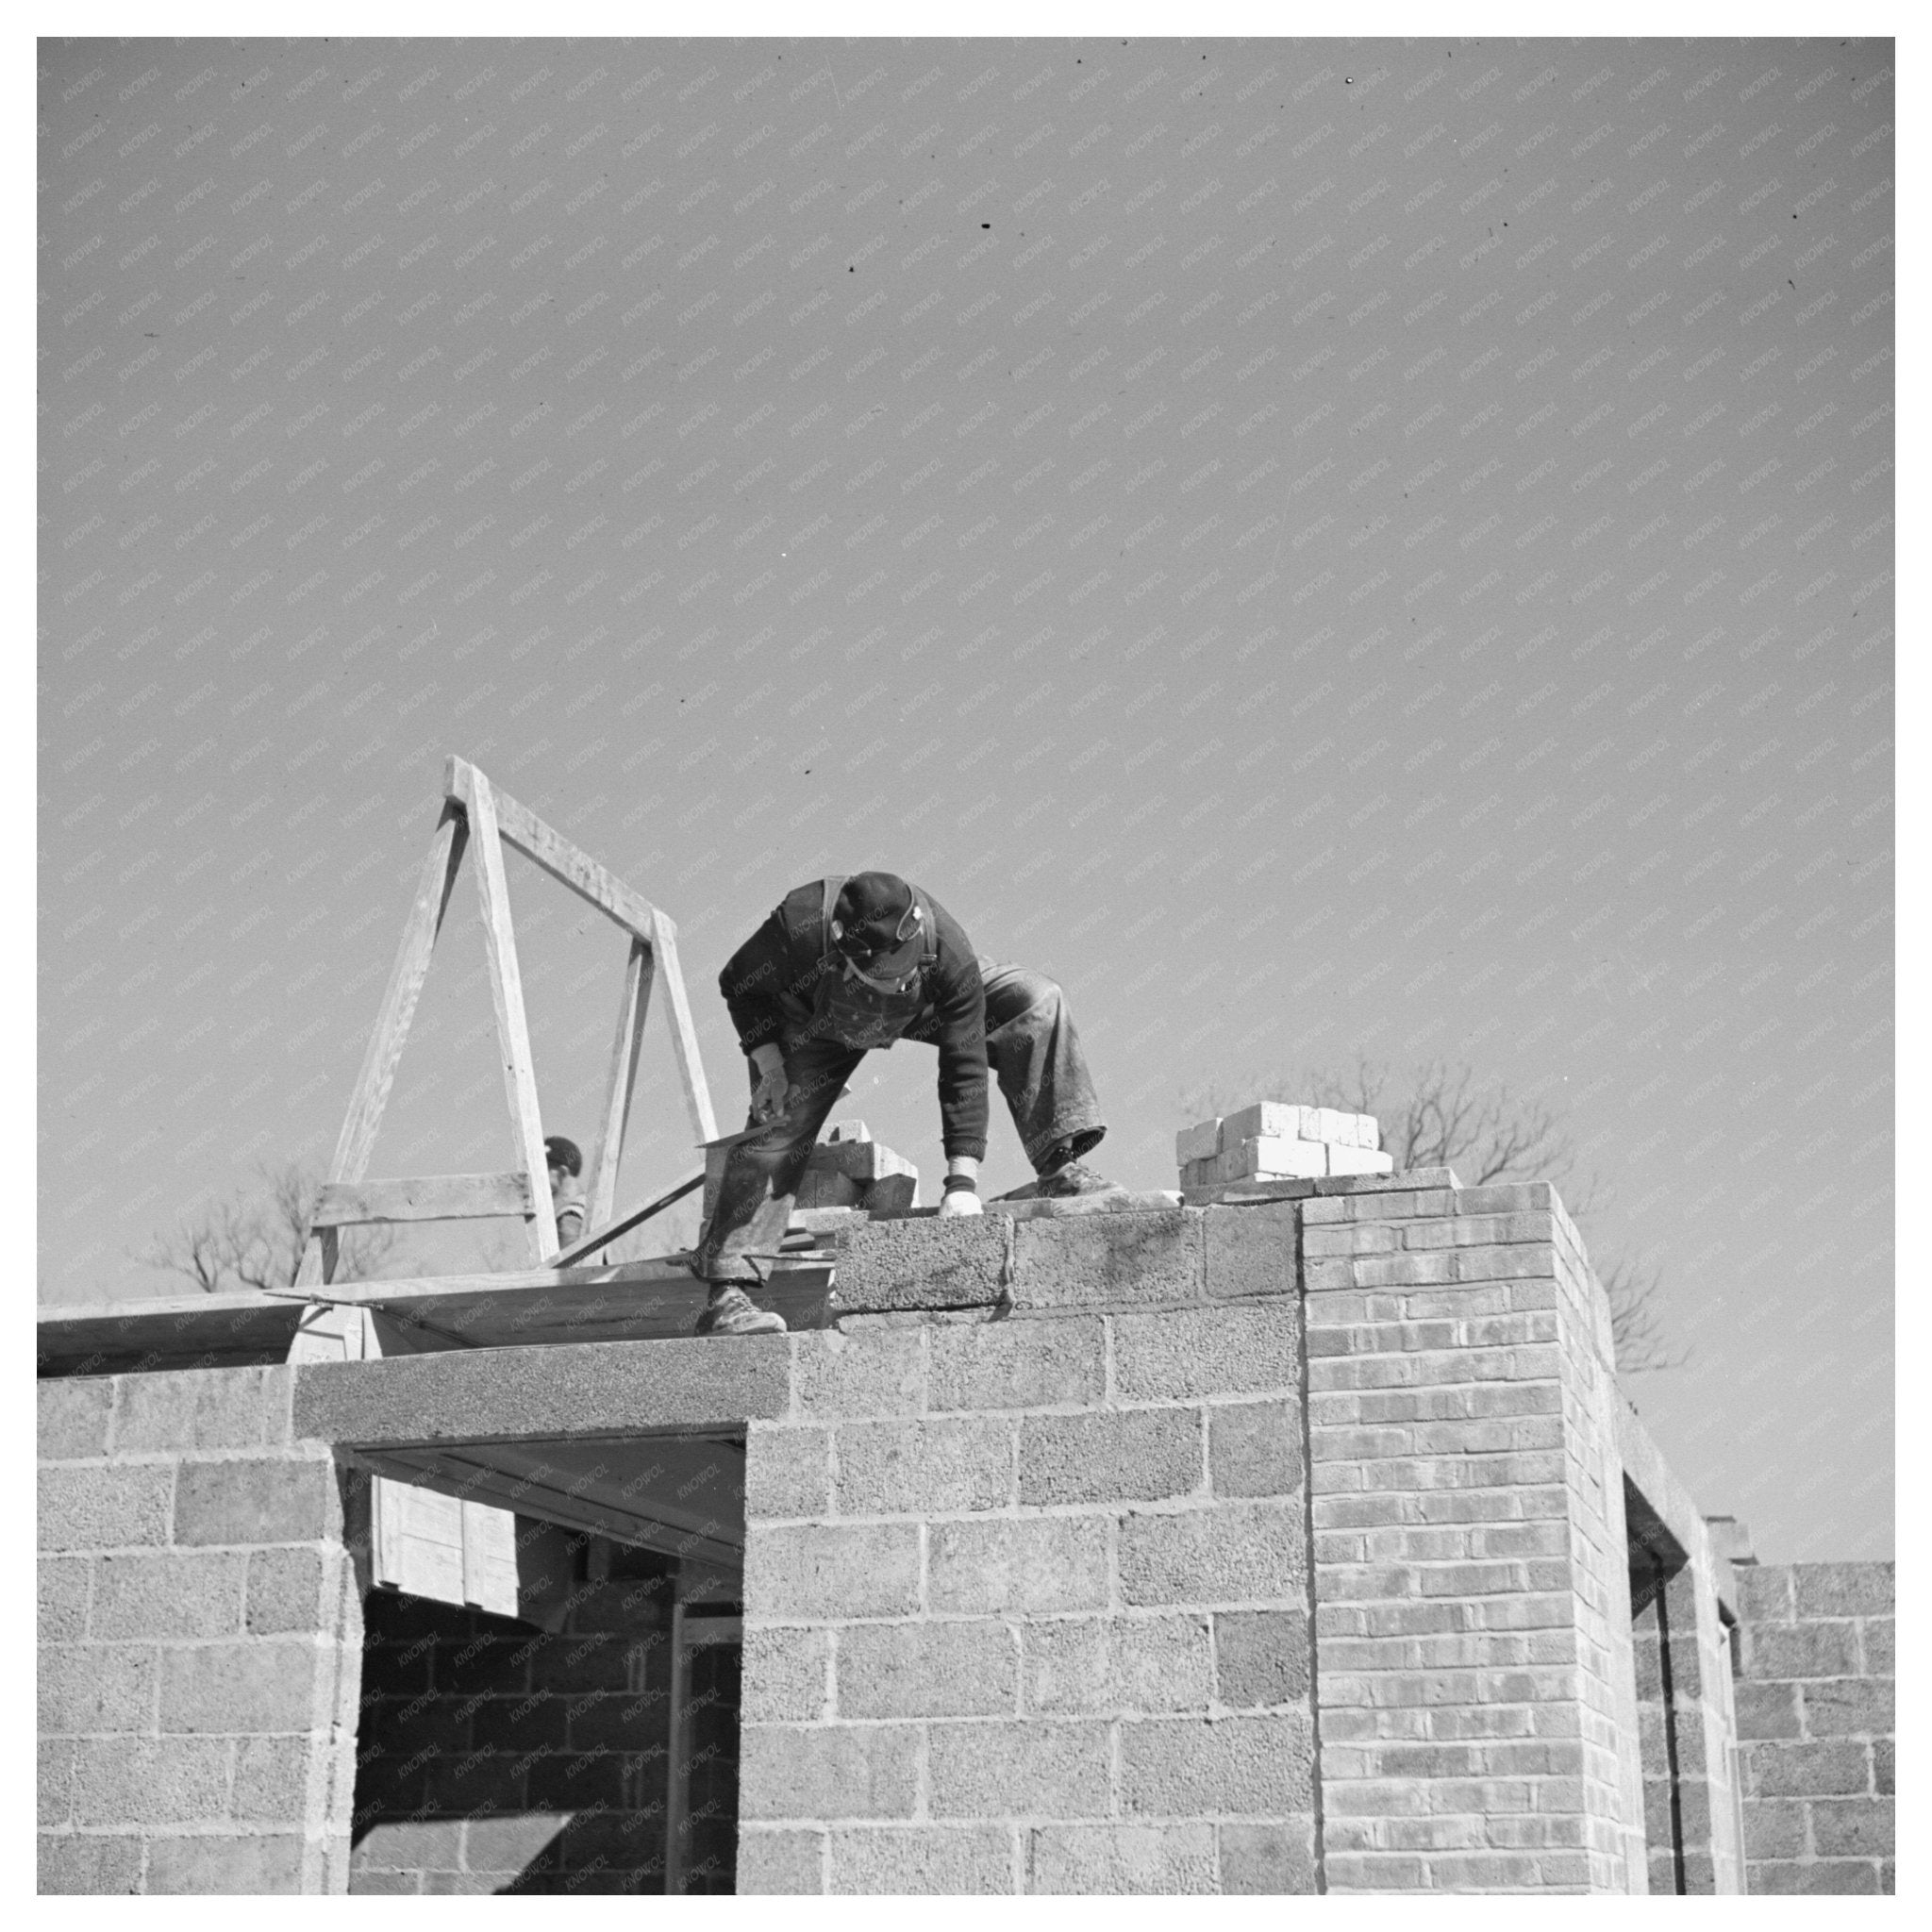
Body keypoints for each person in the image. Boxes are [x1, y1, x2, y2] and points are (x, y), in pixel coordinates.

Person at [689, 871, 1114, 1336]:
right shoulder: (800, 926)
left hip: (924, 1007)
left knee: (1036, 999)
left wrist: (961, 1183)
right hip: (818, 1022)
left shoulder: (947, 950)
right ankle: (727, 1296)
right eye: (886, 978)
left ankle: (1058, 1168)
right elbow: (739, 983)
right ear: (845, 955)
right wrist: (770, 1065)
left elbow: (963, 1065)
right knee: (780, 1129)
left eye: (905, 970)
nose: (896, 982)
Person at [545, 1134, 588, 1248]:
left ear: (562, 1172)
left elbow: (574, 1264)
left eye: (543, 1168)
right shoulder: (588, 1206)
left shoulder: (569, 1216)